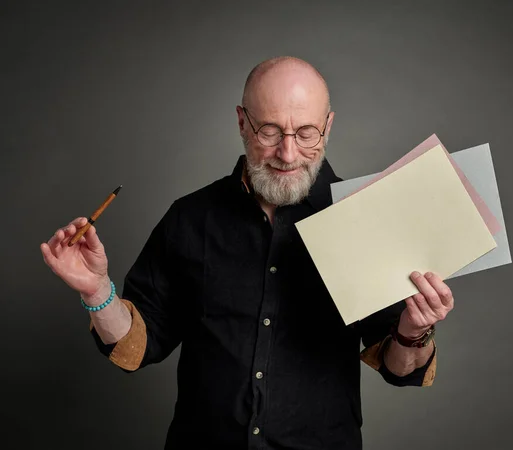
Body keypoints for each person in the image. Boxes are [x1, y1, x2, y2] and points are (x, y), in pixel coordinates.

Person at [40, 56, 454, 450]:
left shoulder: (363, 218)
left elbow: (399, 367)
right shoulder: (190, 218)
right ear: (242, 122)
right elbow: (136, 347)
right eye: (270, 131)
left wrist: (413, 331)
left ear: (328, 127)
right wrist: (98, 292)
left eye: (306, 133)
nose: (288, 154)